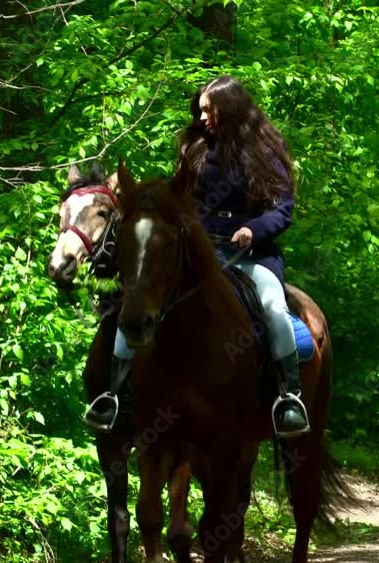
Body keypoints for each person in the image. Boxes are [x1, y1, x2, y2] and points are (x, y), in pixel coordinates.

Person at [84, 75, 309, 437]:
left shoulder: (266, 152)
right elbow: (180, 198)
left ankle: (288, 398)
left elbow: (282, 209)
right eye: (200, 110)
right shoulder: (195, 149)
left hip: (251, 255)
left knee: (272, 308)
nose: (202, 117)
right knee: (139, 297)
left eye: (209, 110)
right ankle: (113, 396)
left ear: (230, 108)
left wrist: (254, 229)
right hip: (201, 251)